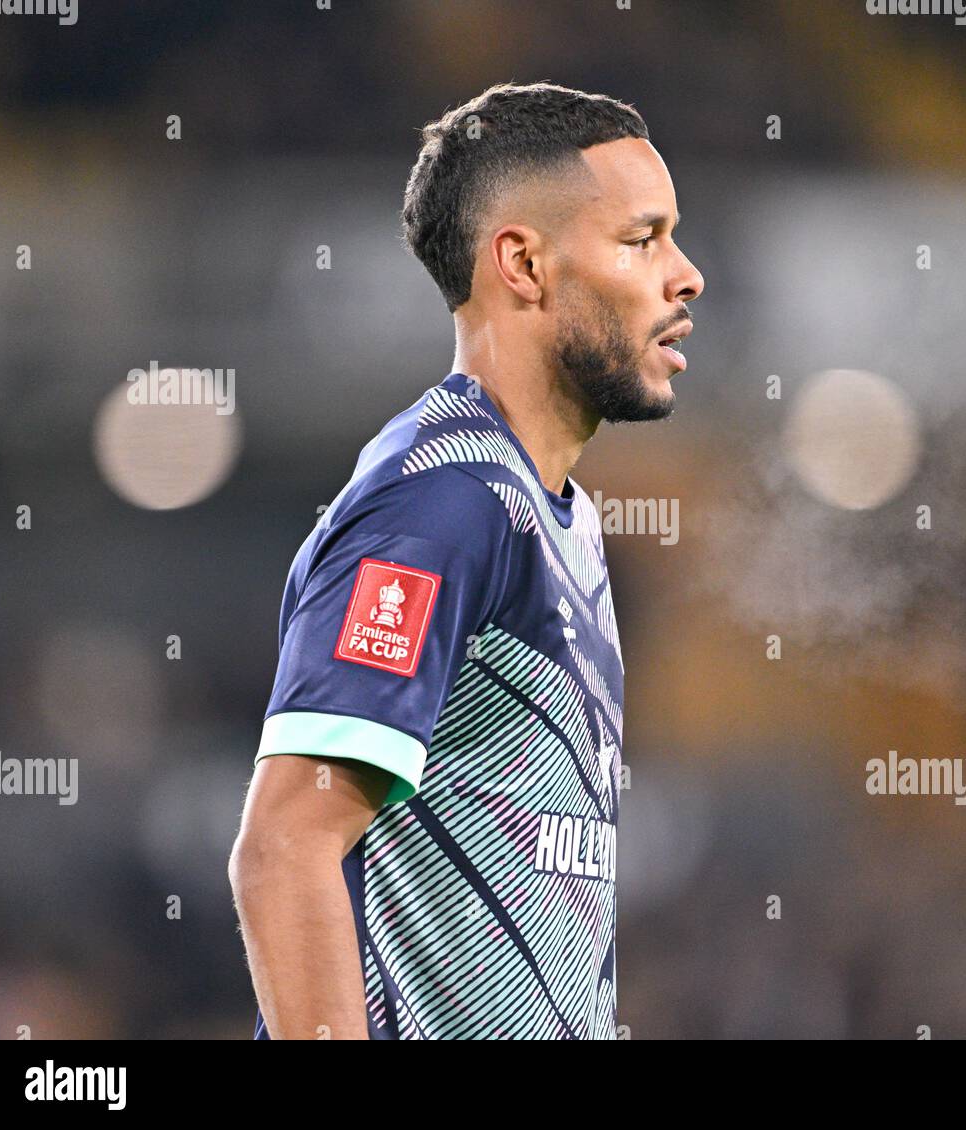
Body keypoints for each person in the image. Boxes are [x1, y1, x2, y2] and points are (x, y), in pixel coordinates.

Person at [228, 81, 704, 1039]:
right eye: (641, 238)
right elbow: (284, 846)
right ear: (524, 264)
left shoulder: (553, 515)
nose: (685, 274)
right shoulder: (442, 501)